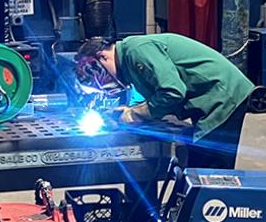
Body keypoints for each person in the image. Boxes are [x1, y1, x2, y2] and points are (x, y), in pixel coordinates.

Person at [77, 33, 254, 170]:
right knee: (196, 167)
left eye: (93, 77)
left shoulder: (136, 51)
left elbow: (172, 91)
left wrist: (136, 113)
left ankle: (213, 213)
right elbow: (156, 94)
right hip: (212, 98)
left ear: (102, 57)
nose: (100, 86)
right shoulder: (130, 60)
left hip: (222, 96)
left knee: (208, 170)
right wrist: (132, 110)